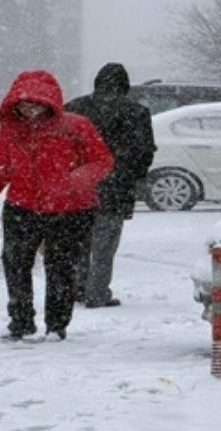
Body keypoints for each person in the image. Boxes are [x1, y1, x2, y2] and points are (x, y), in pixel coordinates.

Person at [0, 70, 114, 340]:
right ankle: (21, 322)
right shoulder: (10, 131)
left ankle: (56, 325)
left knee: (61, 268)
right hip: (22, 206)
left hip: (71, 210)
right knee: (15, 264)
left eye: (35, 104)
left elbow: (102, 160)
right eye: (23, 104)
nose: (29, 110)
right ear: (13, 104)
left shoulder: (76, 126)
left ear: (49, 103)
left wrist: (77, 179)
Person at [64, 63, 156, 308]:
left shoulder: (75, 108)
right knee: (105, 245)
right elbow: (144, 152)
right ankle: (97, 292)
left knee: (78, 241)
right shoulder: (136, 112)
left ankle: (77, 287)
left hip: (79, 185)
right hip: (116, 187)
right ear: (124, 85)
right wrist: (132, 176)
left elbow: (60, 148)